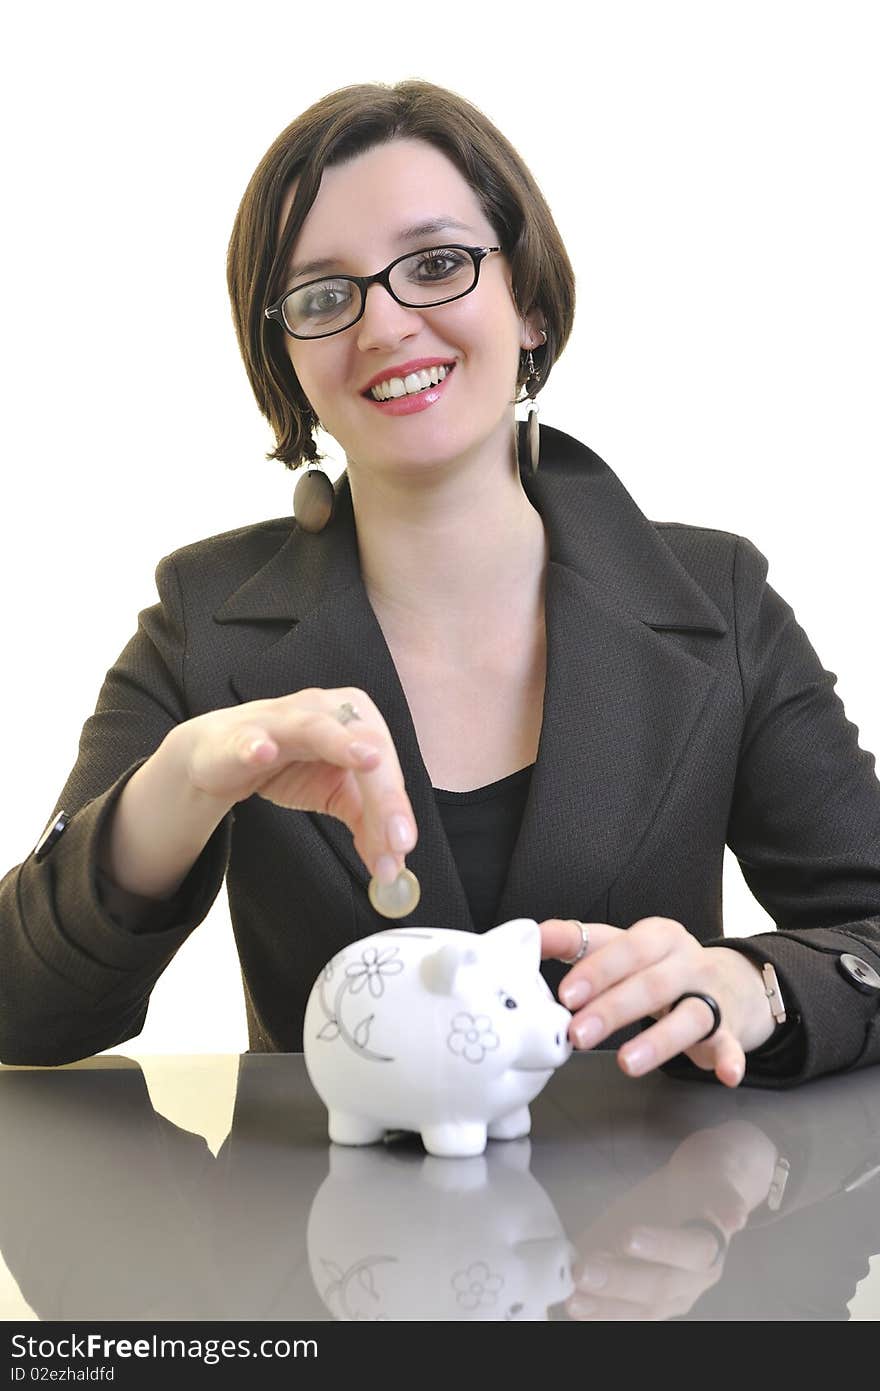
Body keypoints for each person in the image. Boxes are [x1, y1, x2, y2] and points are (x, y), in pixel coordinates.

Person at [2, 79, 879, 1086]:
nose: (382, 326)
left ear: (532, 304)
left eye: (435, 264)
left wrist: (754, 985)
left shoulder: (719, 599)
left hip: (660, 1232)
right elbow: (24, 1010)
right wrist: (178, 786)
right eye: (324, 294)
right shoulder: (204, 624)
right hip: (328, 1236)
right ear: (287, 358)